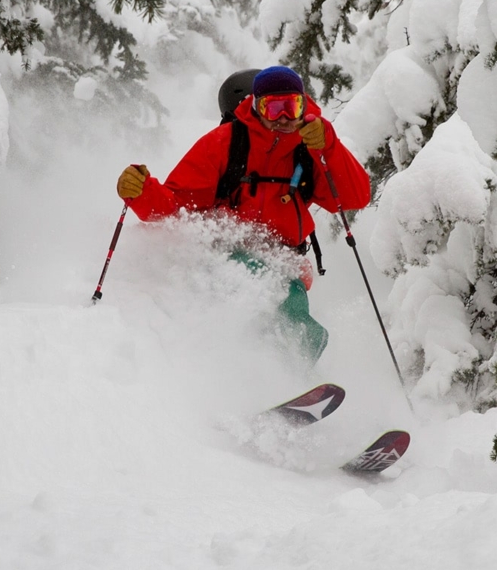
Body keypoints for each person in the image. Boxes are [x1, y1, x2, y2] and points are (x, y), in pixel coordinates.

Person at [115, 66, 371, 363]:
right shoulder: (224, 143)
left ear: (303, 103)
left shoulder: (311, 143)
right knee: (270, 299)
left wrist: (329, 147)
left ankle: (296, 380)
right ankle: (262, 374)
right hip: (225, 253)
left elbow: (355, 196)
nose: (285, 118)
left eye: (292, 106)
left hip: (285, 260)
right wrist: (142, 192)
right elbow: (177, 206)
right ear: (255, 106)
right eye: (273, 108)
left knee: (295, 310)